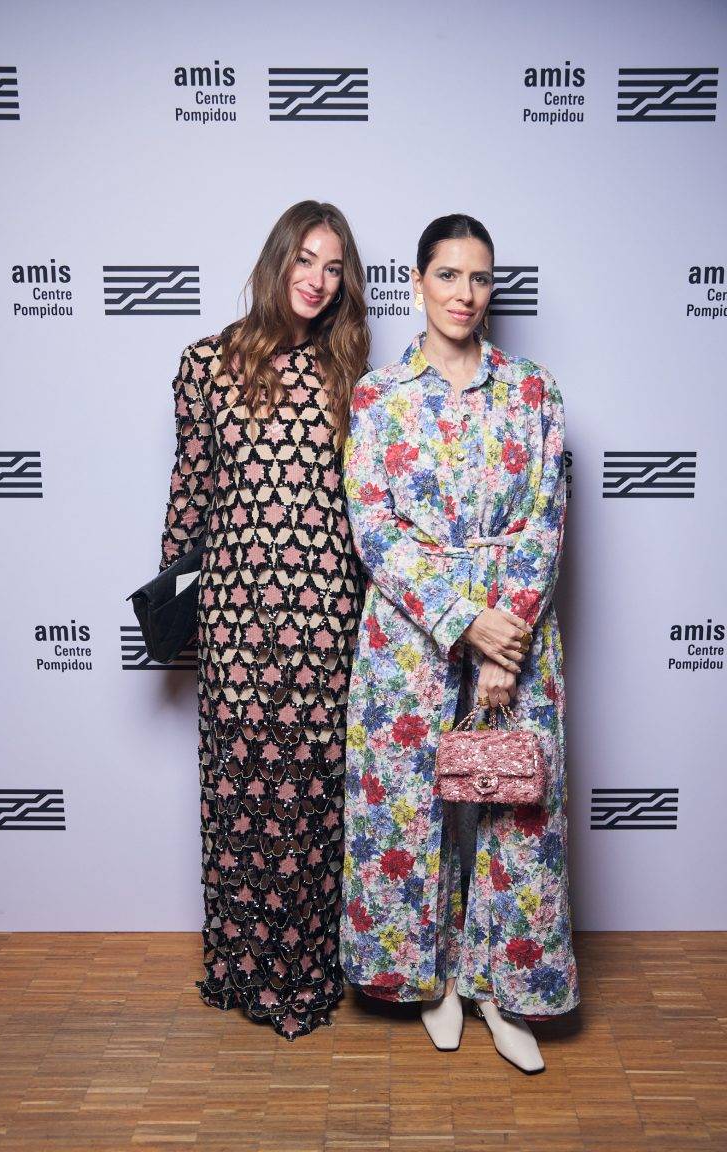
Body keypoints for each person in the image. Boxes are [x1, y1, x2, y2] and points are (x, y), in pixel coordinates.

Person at [341, 213, 578, 1071]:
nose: (465, 295)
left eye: (480, 279)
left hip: (517, 636)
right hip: (409, 639)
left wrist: (499, 640)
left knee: (515, 810)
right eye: (448, 276)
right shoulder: (379, 396)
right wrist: (458, 621)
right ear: (418, 282)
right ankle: (431, 976)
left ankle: (501, 989)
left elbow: (546, 521)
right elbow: (374, 527)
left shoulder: (534, 391)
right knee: (413, 810)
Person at [159, 200, 370, 1040]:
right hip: (237, 612)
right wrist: (174, 607)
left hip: (327, 609)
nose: (318, 281)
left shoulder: (355, 374)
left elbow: (365, 506)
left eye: (334, 267)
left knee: (314, 795)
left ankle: (312, 969)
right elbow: (190, 495)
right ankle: (242, 968)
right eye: (305, 261)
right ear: (277, 260)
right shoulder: (206, 363)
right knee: (240, 788)